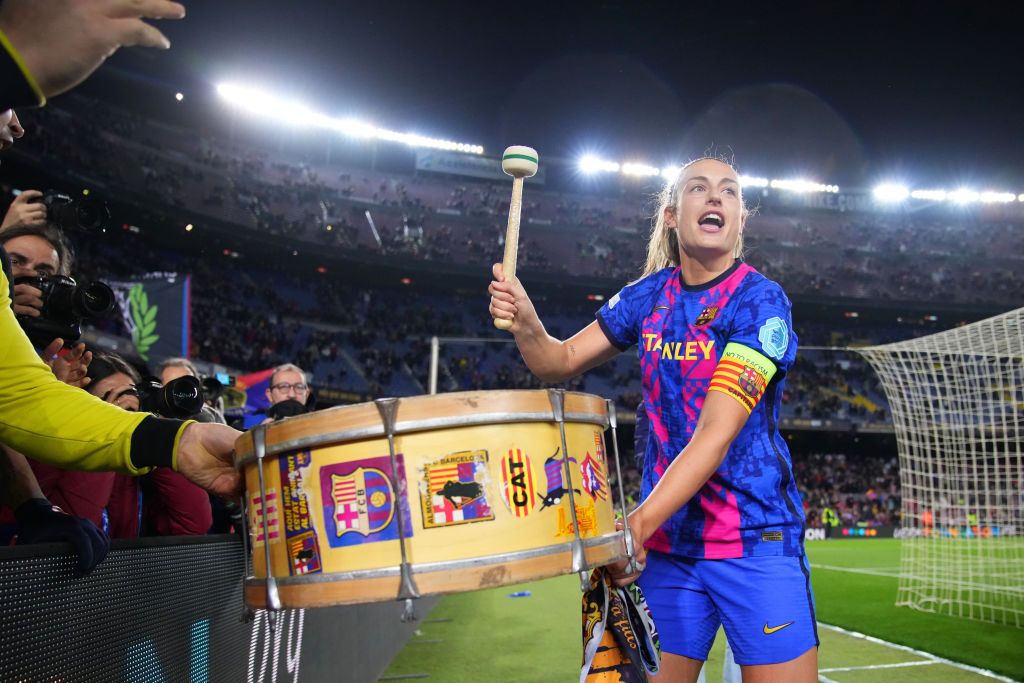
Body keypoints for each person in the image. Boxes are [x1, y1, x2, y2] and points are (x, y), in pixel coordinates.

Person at [489, 157, 817, 682]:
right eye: (699, 189)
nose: (715, 198)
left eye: (729, 192)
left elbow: (715, 433)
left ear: (740, 219)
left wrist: (635, 524)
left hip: (754, 542)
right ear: (670, 215)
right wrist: (526, 321)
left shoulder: (760, 301)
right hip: (669, 550)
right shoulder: (649, 296)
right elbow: (558, 361)